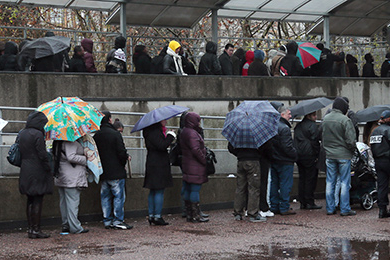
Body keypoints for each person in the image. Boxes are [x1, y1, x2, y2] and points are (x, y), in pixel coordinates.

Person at [93, 111, 133, 230]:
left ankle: (107, 220)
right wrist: (123, 163)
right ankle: (118, 220)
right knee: (118, 196)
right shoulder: (115, 134)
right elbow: (121, 153)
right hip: (116, 171)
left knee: (105, 196)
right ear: (110, 120)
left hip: (103, 171)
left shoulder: (96, 136)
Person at [18, 111, 52, 239]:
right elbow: (42, 154)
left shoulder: (23, 133)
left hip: (25, 169)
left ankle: (30, 228)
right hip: (37, 170)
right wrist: (48, 168)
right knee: (38, 199)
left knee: (30, 199)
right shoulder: (37, 134)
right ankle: (36, 229)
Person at [322, 97, 356, 216]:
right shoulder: (345, 120)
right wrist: (352, 151)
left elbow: (323, 137)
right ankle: (345, 208)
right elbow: (351, 140)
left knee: (330, 182)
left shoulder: (325, 119)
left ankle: (330, 208)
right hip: (343, 155)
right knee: (344, 182)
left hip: (329, 154)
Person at [143, 120, 176, 225]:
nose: (166, 121)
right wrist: (170, 136)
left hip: (152, 162)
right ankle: (157, 216)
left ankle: (151, 215)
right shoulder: (155, 132)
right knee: (159, 190)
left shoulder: (149, 131)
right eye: (164, 120)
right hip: (159, 164)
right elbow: (162, 145)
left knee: (153, 190)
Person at [53, 140, 89, 234]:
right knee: (73, 203)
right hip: (72, 176)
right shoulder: (70, 142)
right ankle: (75, 227)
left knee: (63, 202)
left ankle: (66, 225)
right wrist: (85, 159)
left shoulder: (56, 143)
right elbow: (71, 157)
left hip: (61, 175)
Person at [228, 141, 268, 222]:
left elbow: (230, 148)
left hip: (241, 160)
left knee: (240, 187)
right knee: (254, 187)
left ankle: (238, 213)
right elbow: (266, 147)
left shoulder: (239, 132)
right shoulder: (256, 132)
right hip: (253, 160)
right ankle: (253, 213)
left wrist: (239, 154)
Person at [180, 112, 209, 223]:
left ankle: (189, 214)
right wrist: (204, 159)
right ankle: (195, 215)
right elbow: (195, 149)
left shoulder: (184, 131)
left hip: (187, 164)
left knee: (188, 188)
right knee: (195, 189)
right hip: (195, 166)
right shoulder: (192, 133)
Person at [270, 106, 297, 215]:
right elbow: (287, 147)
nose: (290, 116)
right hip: (285, 161)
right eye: (289, 114)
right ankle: (284, 207)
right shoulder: (285, 129)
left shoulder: (272, 127)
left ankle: (274, 206)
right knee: (285, 185)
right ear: (282, 115)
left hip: (274, 159)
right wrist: (295, 155)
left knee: (274, 184)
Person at [294, 111, 322, 210]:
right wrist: (317, 153)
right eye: (314, 115)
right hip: (310, 154)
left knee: (302, 178)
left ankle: (302, 201)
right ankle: (309, 201)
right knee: (311, 178)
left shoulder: (298, 126)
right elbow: (315, 141)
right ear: (309, 116)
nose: (316, 117)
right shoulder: (312, 126)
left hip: (299, 154)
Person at [369, 110, 390, 218]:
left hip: (378, 161)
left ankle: (382, 210)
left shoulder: (374, 131)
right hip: (388, 160)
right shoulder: (388, 130)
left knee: (382, 185)